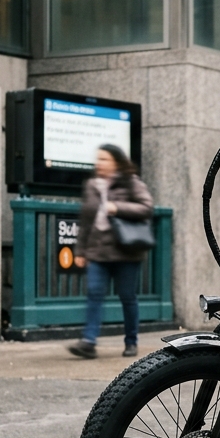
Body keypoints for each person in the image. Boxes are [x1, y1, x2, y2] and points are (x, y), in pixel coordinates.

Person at [69, 145, 154, 359]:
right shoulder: (91, 185)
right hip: (98, 250)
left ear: (116, 161)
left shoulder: (131, 181)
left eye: (105, 159)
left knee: (127, 296)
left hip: (125, 250)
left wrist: (117, 207)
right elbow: (86, 221)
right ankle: (88, 342)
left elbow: (146, 207)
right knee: (94, 294)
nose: (100, 163)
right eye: (98, 159)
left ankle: (131, 341)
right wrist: (80, 251)